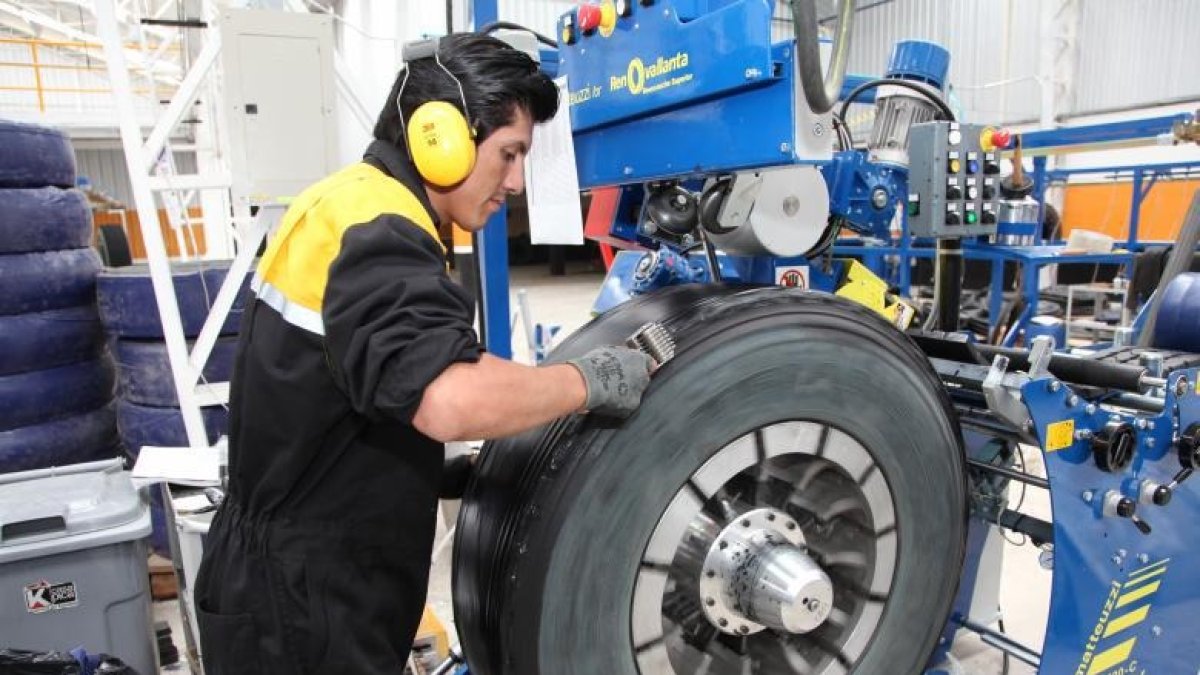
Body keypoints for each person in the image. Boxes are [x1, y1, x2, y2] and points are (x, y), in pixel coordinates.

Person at [194, 33, 655, 675]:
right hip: (304, 608)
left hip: (289, 575)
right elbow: (447, 398)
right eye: (510, 153)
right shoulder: (380, 227)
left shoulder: (346, 201)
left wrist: (425, 472)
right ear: (441, 138)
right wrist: (586, 380)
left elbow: (329, 392)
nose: (515, 182)